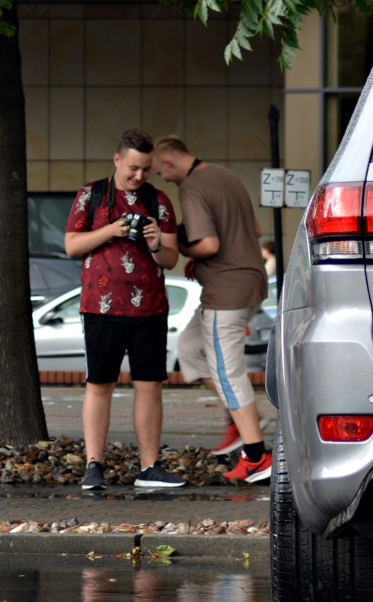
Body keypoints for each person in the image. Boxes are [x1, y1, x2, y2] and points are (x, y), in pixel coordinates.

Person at [63, 128, 185, 490]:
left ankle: (150, 468)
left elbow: (171, 258)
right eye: (133, 168)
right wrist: (112, 230)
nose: (139, 176)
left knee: (150, 386)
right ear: (117, 159)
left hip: (150, 309)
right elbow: (72, 245)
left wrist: (153, 243)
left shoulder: (159, 201)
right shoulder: (92, 195)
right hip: (100, 308)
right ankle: (93, 466)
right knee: (99, 384)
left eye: (145, 169)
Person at [153, 135, 272, 483]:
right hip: (250, 284)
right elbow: (256, 229)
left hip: (227, 293)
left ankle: (256, 457)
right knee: (190, 349)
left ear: (170, 162)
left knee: (228, 373)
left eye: (160, 171)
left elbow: (208, 243)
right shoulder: (226, 175)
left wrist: (183, 250)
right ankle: (241, 419)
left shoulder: (191, 187)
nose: (162, 177)